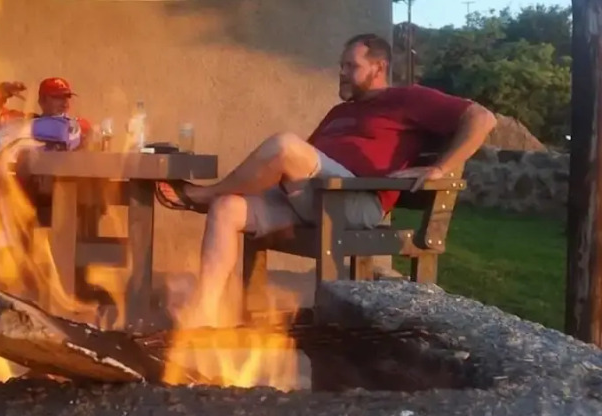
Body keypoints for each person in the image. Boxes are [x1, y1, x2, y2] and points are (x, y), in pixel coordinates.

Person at [155, 33, 498, 321]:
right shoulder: (340, 112)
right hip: (313, 198)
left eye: (351, 66)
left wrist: (439, 168)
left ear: (379, 67)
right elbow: (304, 162)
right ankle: (204, 314)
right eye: (341, 66)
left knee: (285, 146)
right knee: (228, 209)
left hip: (354, 202)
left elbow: (482, 118)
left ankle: (204, 195)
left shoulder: (407, 98)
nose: (342, 73)